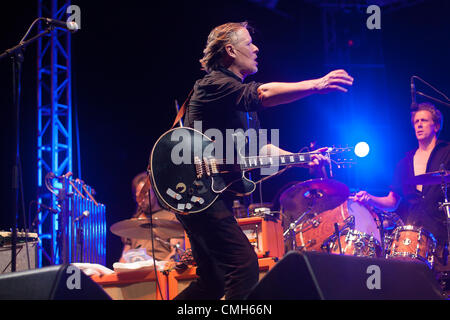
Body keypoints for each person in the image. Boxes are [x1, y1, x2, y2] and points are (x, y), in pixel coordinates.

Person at [174, 21, 353, 300]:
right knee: (243, 266)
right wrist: (316, 85)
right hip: (195, 189)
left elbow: (260, 150)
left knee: (212, 282)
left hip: (209, 194)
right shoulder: (215, 83)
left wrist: (303, 158)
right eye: (249, 43)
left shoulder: (236, 98)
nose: (256, 48)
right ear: (231, 51)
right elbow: (263, 94)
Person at [354, 102, 449, 272]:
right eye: (416, 122)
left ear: (436, 125)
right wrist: (369, 197)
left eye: (424, 120)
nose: (418, 125)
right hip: (415, 235)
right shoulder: (405, 162)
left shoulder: (447, 152)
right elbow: (392, 201)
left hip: (443, 232)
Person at [120, 172, 185, 262]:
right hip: (135, 272)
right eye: (138, 197)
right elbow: (124, 256)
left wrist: (158, 270)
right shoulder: (133, 222)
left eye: (144, 195)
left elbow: (176, 254)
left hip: (160, 271)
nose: (141, 200)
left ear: (155, 192)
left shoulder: (172, 218)